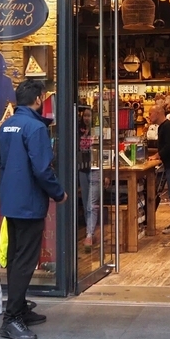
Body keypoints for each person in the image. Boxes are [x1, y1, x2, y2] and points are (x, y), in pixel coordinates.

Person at [0, 79, 68, 339]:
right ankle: (11, 319)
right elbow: (42, 169)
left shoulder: (6, 126)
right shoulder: (36, 128)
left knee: (16, 258)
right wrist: (58, 193)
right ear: (38, 99)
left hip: (11, 200)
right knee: (25, 261)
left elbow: (2, 163)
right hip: (29, 202)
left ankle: (19, 308)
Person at [148, 103, 170, 234]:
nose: (149, 116)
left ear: (158, 113)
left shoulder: (167, 127)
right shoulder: (164, 126)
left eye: (150, 113)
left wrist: (157, 155)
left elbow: (169, 146)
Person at [77, 106, 101, 252]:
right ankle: (89, 230)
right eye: (85, 115)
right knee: (86, 201)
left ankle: (89, 234)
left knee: (91, 204)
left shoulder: (97, 130)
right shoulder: (78, 130)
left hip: (95, 168)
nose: (86, 118)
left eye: (89, 115)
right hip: (82, 168)